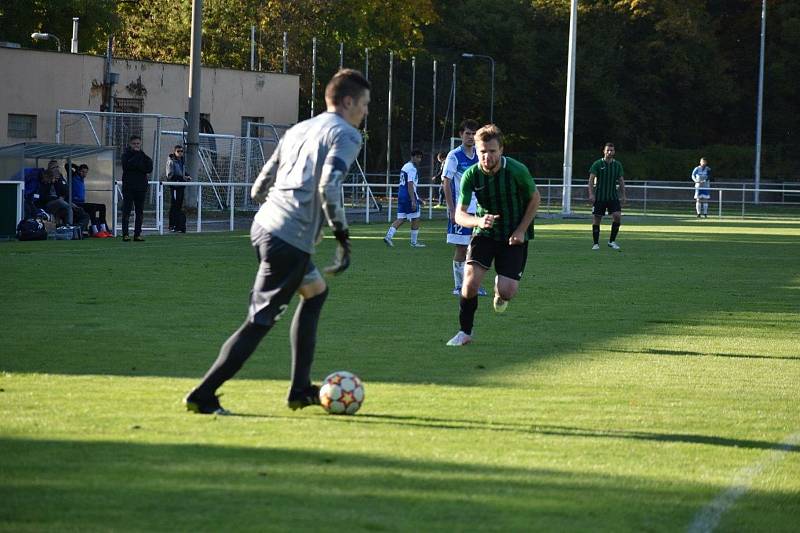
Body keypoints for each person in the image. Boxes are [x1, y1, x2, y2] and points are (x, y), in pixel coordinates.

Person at [183, 68, 370, 415]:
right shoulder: (346, 135)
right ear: (347, 102)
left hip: (265, 226)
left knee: (315, 292)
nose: (365, 112)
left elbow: (259, 186)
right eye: (364, 104)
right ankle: (203, 395)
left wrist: (280, 210)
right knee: (258, 322)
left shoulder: (299, 129)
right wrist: (342, 237)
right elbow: (328, 187)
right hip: (289, 239)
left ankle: (300, 389)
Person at [446, 124, 540, 347]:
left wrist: (520, 230)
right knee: (469, 284)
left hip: (513, 236)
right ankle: (464, 332)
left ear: (501, 150)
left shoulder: (517, 170)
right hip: (485, 233)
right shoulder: (471, 176)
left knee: (507, 291)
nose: (487, 156)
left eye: (492, 151)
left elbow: (535, 198)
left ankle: (501, 293)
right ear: (476, 151)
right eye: (482, 152)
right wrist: (478, 221)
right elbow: (459, 215)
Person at [443, 119, 486, 296]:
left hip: (480, 211)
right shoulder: (454, 156)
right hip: (462, 209)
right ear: (461, 135)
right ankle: (459, 285)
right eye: (467, 133)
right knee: (461, 248)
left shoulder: (480, 155)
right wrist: (453, 210)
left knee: (476, 248)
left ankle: (473, 285)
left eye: (474, 133)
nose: (470, 136)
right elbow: (446, 183)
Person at [383, 149, 426, 248]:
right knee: (415, 218)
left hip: (401, 195)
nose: (419, 160)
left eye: (420, 158)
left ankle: (388, 237)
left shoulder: (405, 166)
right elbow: (410, 184)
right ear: (412, 157)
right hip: (408, 195)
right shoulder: (411, 168)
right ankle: (414, 243)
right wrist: (413, 200)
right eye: (417, 157)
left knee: (401, 218)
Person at [588, 142, 626, 251]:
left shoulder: (617, 165)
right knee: (597, 219)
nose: (610, 152)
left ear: (614, 152)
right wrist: (591, 193)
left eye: (612, 150)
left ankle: (611, 241)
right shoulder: (597, 164)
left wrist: (623, 195)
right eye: (608, 150)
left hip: (612, 196)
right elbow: (591, 180)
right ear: (604, 151)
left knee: (617, 216)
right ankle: (596, 243)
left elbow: (621, 181)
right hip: (600, 197)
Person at [33, 161, 90, 232]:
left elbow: (66, 191)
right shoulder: (44, 176)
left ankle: (77, 230)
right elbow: (41, 196)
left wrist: (58, 181)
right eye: (54, 167)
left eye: (57, 167)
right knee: (66, 205)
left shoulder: (59, 177)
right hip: (48, 203)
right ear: (49, 168)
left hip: (62, 202)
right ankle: (69, 229)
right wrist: (51, 182)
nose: (56, 169)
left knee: (83, 213)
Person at [120, 135, 154, 242]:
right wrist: (137, 159)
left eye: (138, 143)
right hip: (129, 187)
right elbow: (127, 166)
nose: (136, 145)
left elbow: (149, 168)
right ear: (130, 144)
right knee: (126, 211)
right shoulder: (126, 155)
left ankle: (137, 234)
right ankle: (125, 234)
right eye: (134, 143)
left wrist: (138, 164)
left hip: (141, 188)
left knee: (139, 212)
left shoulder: (143, 156)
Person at [68, 163, 112, 238]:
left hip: (82, 202)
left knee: (102, 206)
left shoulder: (82, 179)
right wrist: (77, 167)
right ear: (78, 171)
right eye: (83, 172)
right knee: (92, 208)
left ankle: (104, 230)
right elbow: (67, 165)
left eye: (86, 172)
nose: (84, 174)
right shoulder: (74, 177)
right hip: (75, 203)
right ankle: (95, 231)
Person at [166, 145, 191, 232]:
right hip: (175, 186)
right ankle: (171, 225)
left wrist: (187, 176)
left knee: (179, 205)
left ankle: (178, 225)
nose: (180, 153)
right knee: (174, 205)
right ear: (174, 152)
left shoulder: (182, 161)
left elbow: (183, 172)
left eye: (181, 151)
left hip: (181, 185)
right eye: (178, 151)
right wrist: (181, 177)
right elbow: (169, 175)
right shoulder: (171, 161)